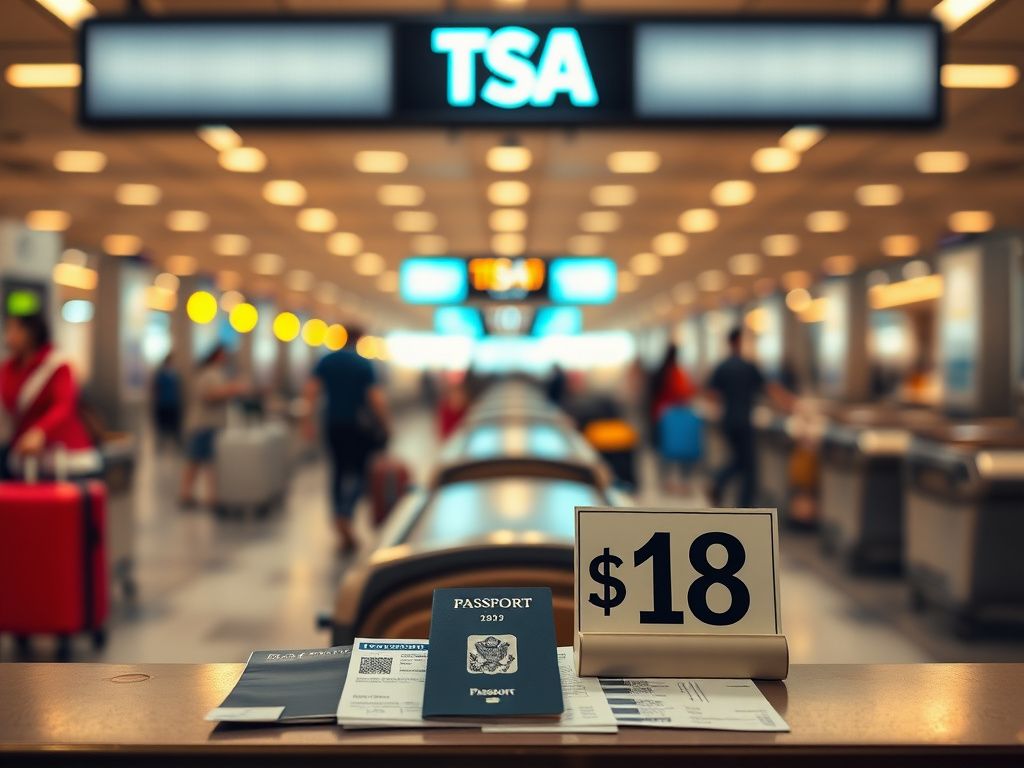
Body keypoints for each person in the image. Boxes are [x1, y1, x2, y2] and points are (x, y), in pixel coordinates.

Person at [303, 327, 391, 553]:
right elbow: (375, 398)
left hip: (333, 425)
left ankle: (337, 516)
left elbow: (311, 391)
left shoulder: (326, 361)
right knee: (361, 472)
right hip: (358, 427)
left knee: (337, 471)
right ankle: (346, 511)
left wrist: (307, 422)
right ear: (359, 339)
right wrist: (386, 424)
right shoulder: (363, 364)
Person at [0, 311, 102, 479]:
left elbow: (64, 406)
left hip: (63, 454)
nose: (8, 336)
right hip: (22, 454)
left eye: (14, 329)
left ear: (30, 332)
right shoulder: (8, 369)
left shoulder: (57, 364)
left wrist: (39, 431)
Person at [706, 327, 794, 508]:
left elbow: (711, 394)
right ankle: (742, 505)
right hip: (744, 421)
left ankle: (720, 484)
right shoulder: (748, 367)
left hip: (728, 421)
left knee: (741, 461)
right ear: (740, 342)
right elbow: (769, 388)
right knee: (749, 468)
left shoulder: (722, 367)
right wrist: (788, 403)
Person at [179, 345, 246, 508]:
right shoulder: (209, 374)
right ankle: (187, 495)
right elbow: (210, 395)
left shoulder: (217, 373)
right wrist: (232, 389)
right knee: (195, 460)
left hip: (212, 425)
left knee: (210, 462)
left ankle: (211, 496)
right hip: (204, 425)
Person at [648, 344, 697, 491]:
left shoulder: (659, 371)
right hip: (675, 418)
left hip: (660, 416)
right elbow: (684, 393)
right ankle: (683, 482)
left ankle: (666, 481)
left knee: (665, 450)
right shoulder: (676, 373)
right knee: (682, 449)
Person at [152, 351, 183, 450]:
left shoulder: (175, 374)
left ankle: (177, 445)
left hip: (173, 403)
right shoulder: (161, 374)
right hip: (163, 404)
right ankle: (161, 445)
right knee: (162, 427)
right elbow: (156, 388)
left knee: (175, 427)